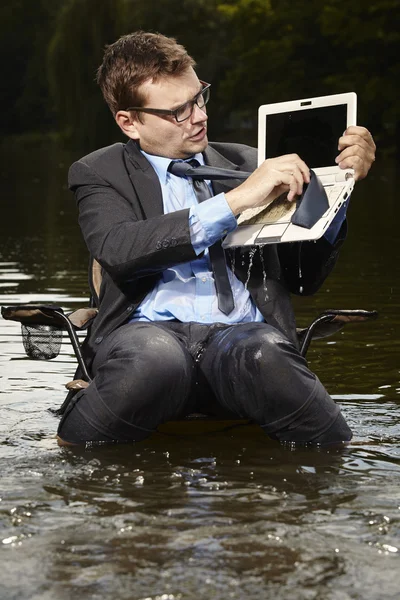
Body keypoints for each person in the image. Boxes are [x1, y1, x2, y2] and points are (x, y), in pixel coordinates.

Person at [57, 31, 376, 446]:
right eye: (178, 111)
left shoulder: (250, 162)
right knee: (156, 361)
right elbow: (119, 248)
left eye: (199, 98)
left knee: (266, 355)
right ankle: (72, 445)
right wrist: (237, 201)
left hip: (242, 336)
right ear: (129, 122)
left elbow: (304, 277)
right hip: (147, 334)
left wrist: (338, 191)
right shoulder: (99, 172)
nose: (199, 117)